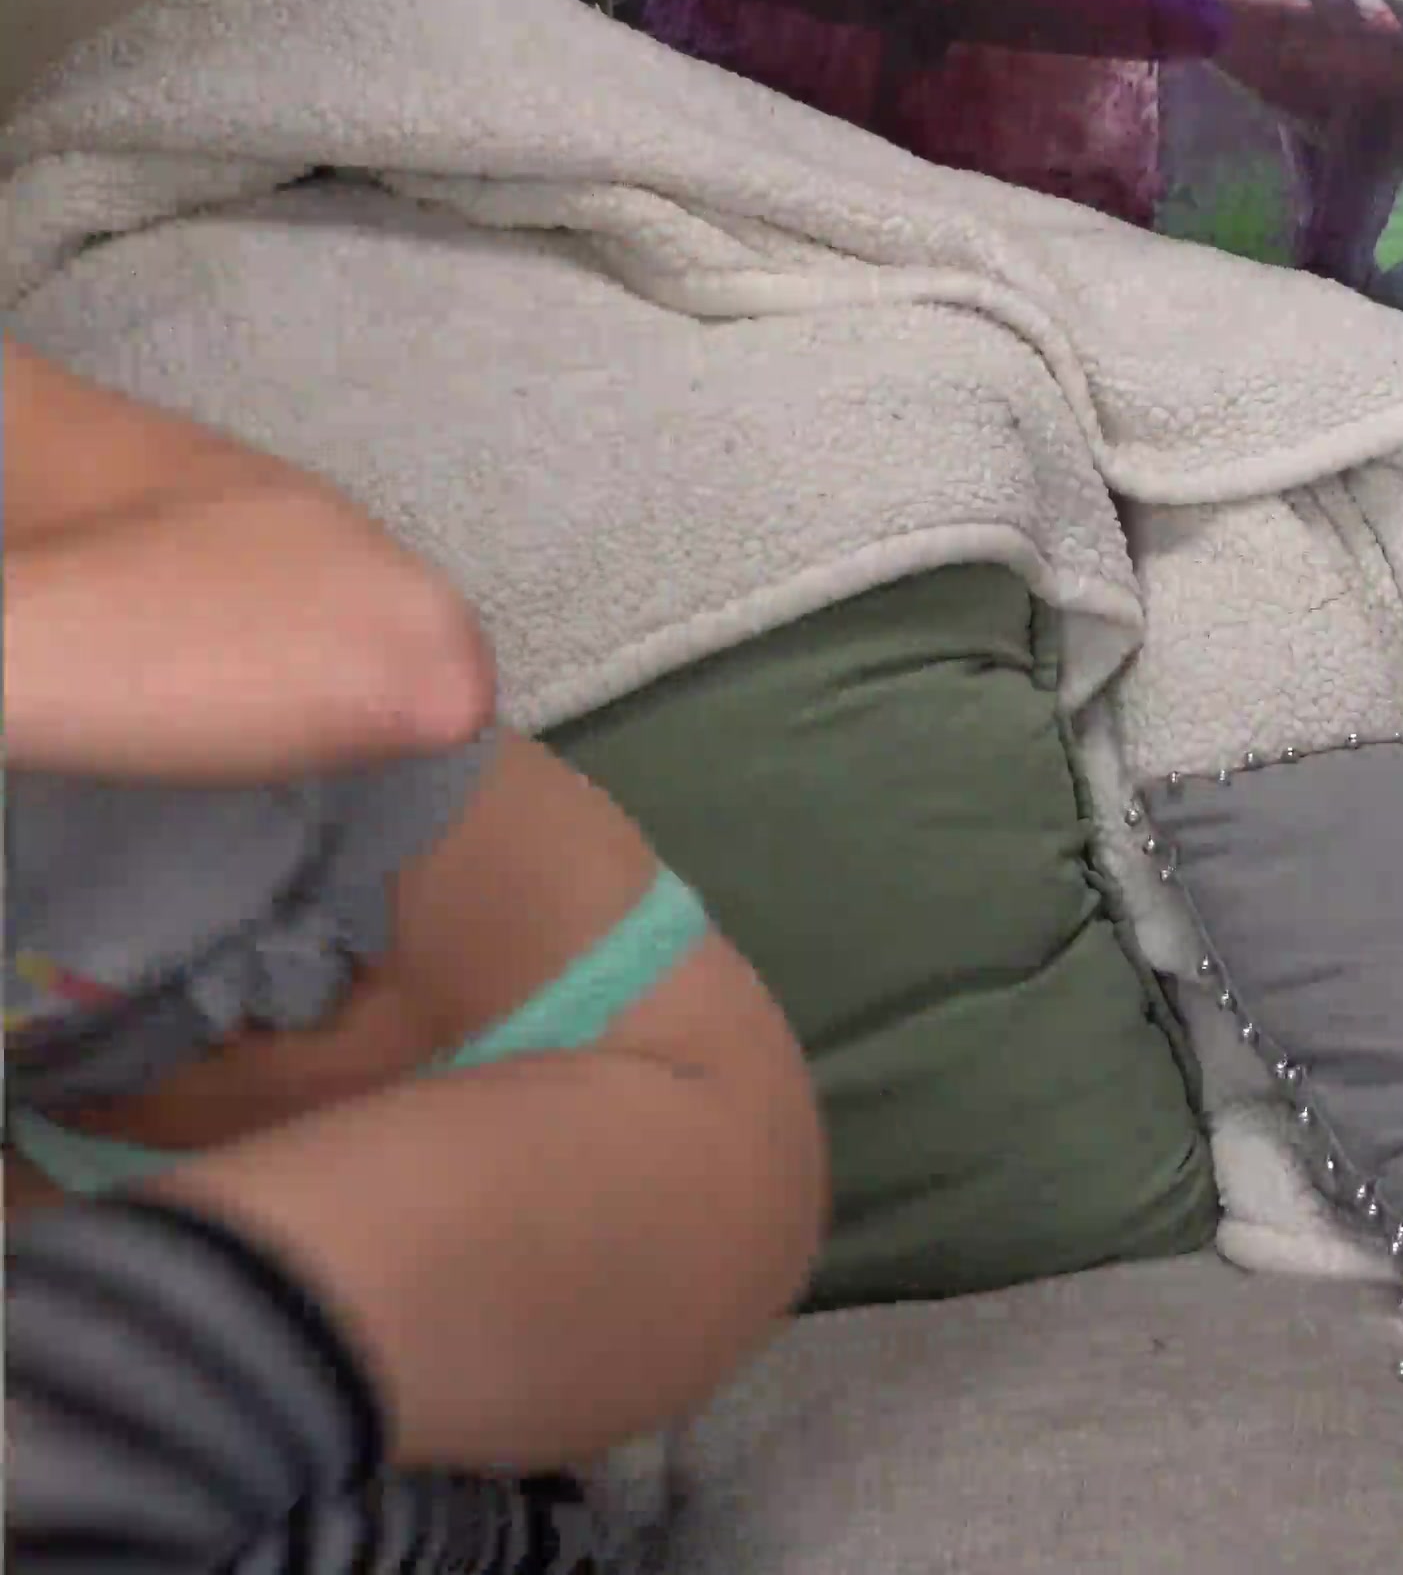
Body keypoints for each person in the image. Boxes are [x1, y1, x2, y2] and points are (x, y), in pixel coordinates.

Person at [3, 337, 829, 1573]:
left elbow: (395, 655)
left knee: (55, 1420)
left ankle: (496, 1531)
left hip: (604, 1092)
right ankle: (436, 1533)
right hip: (101, 1203)